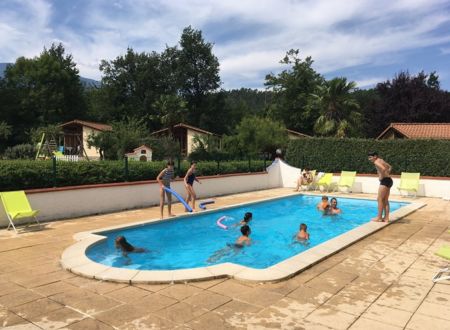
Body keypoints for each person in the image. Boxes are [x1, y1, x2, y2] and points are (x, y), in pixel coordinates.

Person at [368, 151, 393, 222]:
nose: (369, 159)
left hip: (384, 181)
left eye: (370, 157)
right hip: (389, 180)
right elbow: (390, 167)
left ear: (375, 156)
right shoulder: (381, 160)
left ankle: (379, 217)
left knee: (379, 199)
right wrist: (387, 174)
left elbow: (383, 169)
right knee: (385, 200)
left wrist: (381, 176)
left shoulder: (376, 162)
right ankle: (386, 218)